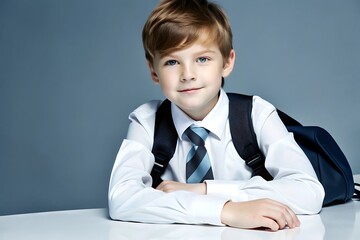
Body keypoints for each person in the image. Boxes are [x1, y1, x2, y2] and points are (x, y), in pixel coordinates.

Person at [108, 0, 324, 231]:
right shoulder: (147, 121)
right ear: (154, 71)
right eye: (172, 62)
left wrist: (206, 190)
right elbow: (121, 198)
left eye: (202, 59)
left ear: (227, 62)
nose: (187, 74)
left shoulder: (256, 114)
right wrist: (225, 210)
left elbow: (308, 191)